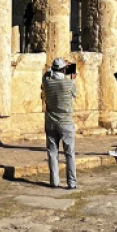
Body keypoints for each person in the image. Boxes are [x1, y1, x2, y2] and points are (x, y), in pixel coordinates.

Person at [42, 57, 79, 189]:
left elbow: (45, 74)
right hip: (66, 122)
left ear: (52, 69)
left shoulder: (47, 82)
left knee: (52, 152)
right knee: (69, 153)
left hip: (50, 121)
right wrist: (74, 77)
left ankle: (54, 181)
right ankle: (72, 182)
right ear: (64, 69)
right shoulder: (70, 83)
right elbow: (74, 95)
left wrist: (54, 67)